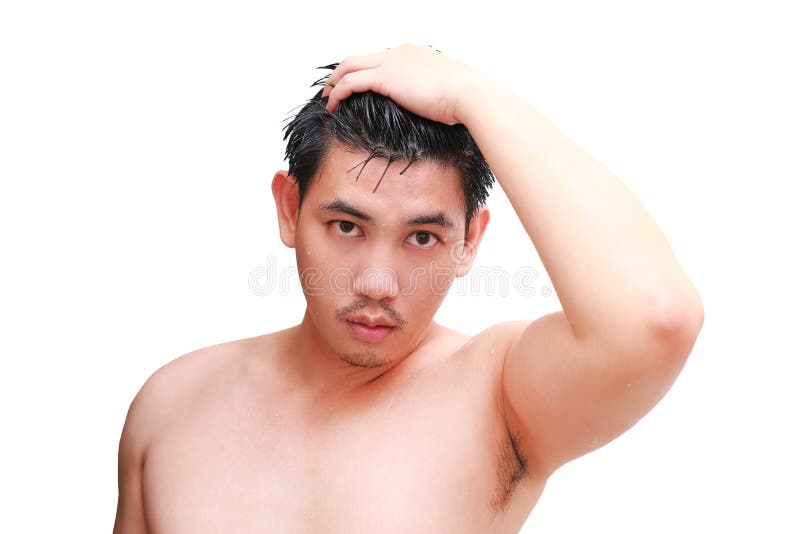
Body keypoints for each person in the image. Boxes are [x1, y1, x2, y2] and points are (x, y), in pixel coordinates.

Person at [113, 43, 704, 533]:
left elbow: (655, 318)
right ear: (290, 209)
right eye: (347, 227)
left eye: (421, 237)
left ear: (469, 241)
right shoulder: (171, 407)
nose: (377, 282)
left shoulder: (498, 399)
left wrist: (476, 95)